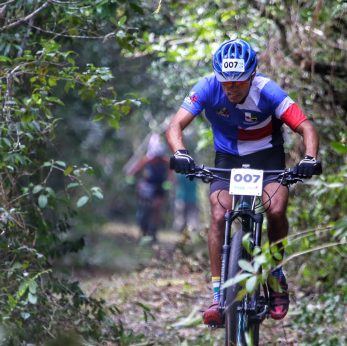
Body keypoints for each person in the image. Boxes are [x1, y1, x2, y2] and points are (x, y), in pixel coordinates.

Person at [165, 39, 320, 326]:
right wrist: (180, 153)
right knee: (217, 213)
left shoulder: (268, 91)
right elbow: (175, 126)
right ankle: (216, 295)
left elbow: (306, 127)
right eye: (226, 83)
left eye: (239, 82)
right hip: (228, 158)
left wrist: (309, 158)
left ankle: (275, 276)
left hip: (267, 158)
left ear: (252, 76)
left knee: (275, 211)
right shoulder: (207, 86)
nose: (232, 88)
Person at [127, 133, 169, 241]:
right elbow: (134, 170)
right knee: (144, 207)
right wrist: (131, 178)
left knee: (157, 207)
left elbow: (171, 174)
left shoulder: (166, 162)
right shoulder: (147, 160)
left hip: (159, 186)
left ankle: (154, 232)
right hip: (147, 186)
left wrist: (169, 183)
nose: (157, 159)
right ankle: (142, 226)